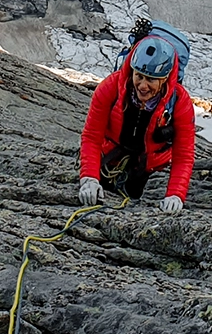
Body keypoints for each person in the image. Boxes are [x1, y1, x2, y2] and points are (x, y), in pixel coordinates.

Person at [77, 19, 196, 214]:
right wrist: (89, 178)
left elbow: (183, 155)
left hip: (149, 169)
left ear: (166, 78)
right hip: (110, 159)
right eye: (138, 75)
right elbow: (92, 136)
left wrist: (175, 194)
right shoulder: (111, 87)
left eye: (151, 79)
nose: (142, 85)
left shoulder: (180, 102)